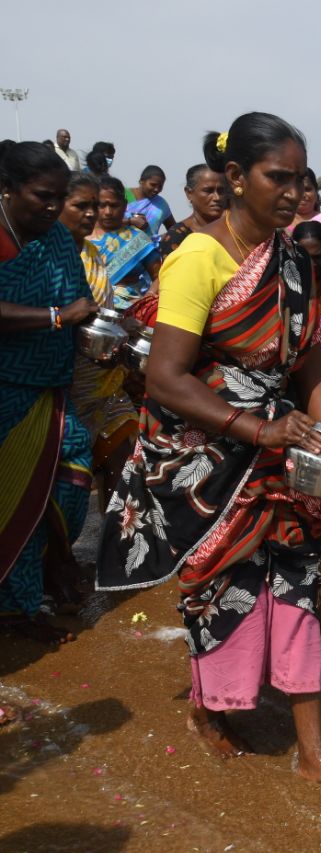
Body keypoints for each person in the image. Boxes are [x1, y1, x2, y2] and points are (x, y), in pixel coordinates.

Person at [95, 112, 321, 798]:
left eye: (299, 179)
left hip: (282, 452)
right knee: (226, 591)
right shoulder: (199, 256)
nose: (292, 191)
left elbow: (307, 362)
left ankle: (311, 748)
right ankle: (207, 709)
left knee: (298, 583)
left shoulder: (296, 259)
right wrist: (254, 430)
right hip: (210, 462)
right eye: (276, 177)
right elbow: (166, 376)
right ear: (236, 178)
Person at [0, 141, 98, 644]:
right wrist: (58, 318)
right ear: (7, 190)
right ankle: (17, 607)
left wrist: (99, 337)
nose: (54, 207)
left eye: (60, 197)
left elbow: (80, 302)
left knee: (71, 477)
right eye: (43, 196)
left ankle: (53, 566)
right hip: (6, 390)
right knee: (13, 496)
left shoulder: (59, 241)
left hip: (52, 386)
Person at [60, 173, 136, 508]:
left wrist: (124, 325)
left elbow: (100, 312)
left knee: (124, 452)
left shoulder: (92, 252)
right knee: (69, 476)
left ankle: (114, 546)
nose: (92, 213)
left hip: (104, 382)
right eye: (82, 205)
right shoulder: (46, 255)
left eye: (96, 205)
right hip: (64, 387)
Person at [88, 176, 162, 307]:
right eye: (102, 205)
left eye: (114, 205)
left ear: (125, 205)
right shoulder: (81, 236)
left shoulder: (137, 239)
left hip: (127, 312)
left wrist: (147, 298)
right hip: (84, 309)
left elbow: (160, 277)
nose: (108, 212)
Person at [158, 164, 227, 257]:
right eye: (208, 191)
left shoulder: (233, 231)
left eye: (221, 191)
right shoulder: (176, 237)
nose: (217, 197)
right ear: (189, 193)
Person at [125, 165, 177, 243]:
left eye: (160, 186)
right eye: (153, 185)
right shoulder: (123, 195)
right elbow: (105, 220)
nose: (156, 189)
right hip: (118, 248)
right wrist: (131, 221)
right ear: (141, 181)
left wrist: (161, 239)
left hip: (149, 251)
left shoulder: (161, 204)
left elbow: (174, 230)